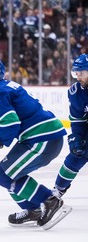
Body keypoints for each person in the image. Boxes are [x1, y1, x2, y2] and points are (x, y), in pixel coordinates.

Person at [0, 59, 70, 228]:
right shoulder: (6, 86)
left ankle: (49, 200)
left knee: (5, 175)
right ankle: (32, 209)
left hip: (41, 139)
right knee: (6, 174)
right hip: (46, 136)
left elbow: (10, 124)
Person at [54, 54, 88, 198]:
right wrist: (77, 137)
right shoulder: (75, 92)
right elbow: (78, 119)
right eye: (76, 73)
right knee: (76, 155)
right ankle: (57, 191)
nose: (78, 76)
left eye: (81, 73)